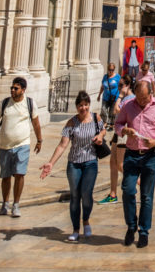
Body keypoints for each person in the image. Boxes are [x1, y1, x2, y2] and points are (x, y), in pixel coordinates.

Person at [40, 91, 106, 241]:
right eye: (80, 105)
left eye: (86, 105)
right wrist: (51, 163)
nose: (83, 108)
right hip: (74, 163)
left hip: (90, 162)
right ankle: (76, 229)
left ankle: (86, 221)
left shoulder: (96, 118)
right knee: (75, 196)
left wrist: (101, 136)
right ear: (76, 107)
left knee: (86, 194)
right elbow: (62, 145)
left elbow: (103, 129)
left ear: (89, 105)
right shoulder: (71, 123)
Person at [114, 80, 155, 248]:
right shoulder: (128, 105)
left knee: (146, 196)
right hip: (132, 154)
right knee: (127, 190)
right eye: (138, 98)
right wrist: (124, 130)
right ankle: (131, 226)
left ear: (150, 94)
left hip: (150, 156)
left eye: (144, 98)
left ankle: (144, 231)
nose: (141, 101)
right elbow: (118, 124)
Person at [0, 76, 42, 217]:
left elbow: (36, 123)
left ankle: (16, 204)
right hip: (5, 146)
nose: (12, 90)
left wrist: (39, 140)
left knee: (19, 173)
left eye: (16, 88)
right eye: (12, 87)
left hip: (23, 144)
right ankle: (5, 203)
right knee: (6, 176)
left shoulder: (30, 103)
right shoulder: (4, 103)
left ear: (23, 90)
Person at [98, 74, 134, 203]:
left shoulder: (130, 99)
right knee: (112, 163)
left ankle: (139, 181)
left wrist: (119, 96)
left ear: (128, 85)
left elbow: (116, 110)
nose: (119, 88)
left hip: (123, 132)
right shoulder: (126, 97)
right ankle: (112, 194)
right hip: (117, 131)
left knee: (120, 164)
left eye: (121, 85)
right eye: (118, 85)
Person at [97, 62, 121, 129]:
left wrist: (121, 96)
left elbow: (121, 86)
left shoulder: (117, 77)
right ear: (107, 69)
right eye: (110, 70)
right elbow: (102, 87)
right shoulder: (105, 77)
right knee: (103, 109)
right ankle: (105, 121)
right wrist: (99, 95)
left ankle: (111, 124)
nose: (111, 71)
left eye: (112, 70)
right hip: (106, 97)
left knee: (112, 111)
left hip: (114, 97)